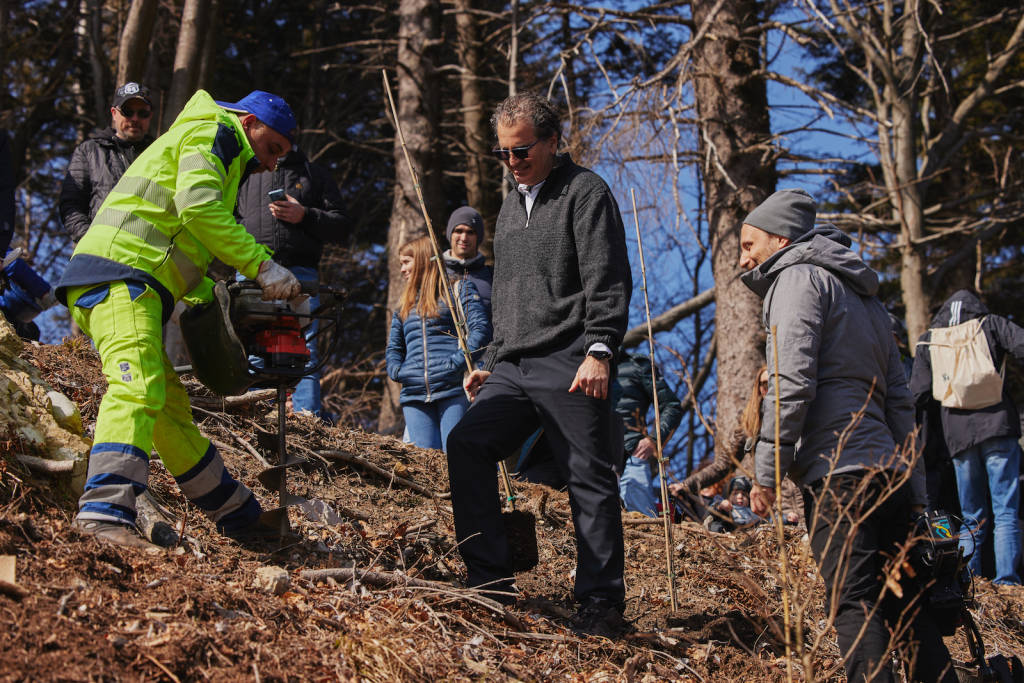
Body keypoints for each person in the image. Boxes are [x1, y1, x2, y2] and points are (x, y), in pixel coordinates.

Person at [54, 89, 303, 551]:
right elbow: (198, 208)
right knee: (137, 389)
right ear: (250, 122)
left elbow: (180, 238)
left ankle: (239, 515)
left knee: (168, 410)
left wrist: (216, 295)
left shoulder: (220, 150)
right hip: (120, 277)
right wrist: (262, 266)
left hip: (134, 281)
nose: (272, 164)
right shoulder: (213, 132)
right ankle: (103, 515)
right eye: (273, 149)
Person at [739, 188, 955, 682]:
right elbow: (900, 404)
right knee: (906, 605)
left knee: (855, 603)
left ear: (781, 238)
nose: (743, 257)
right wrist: (917, 495)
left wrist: (767, 471)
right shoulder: (869, 302)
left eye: (750, 244)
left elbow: (791, 380)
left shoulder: (795, 280)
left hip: (840, 474)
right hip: (890, 477)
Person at [445, 92, 632, 637]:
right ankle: (489, 581)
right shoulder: (507, 206)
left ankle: (600, 604)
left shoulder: (586, 192)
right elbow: (506, 292)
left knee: (587, 476)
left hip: (573, 357)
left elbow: (608, 277)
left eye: (522, 151)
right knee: (467, 443)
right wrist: (493, 359)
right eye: (503, 154)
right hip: (514, 365)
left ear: (552, 142)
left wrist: (600, 347)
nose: (512, 163)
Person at [910, 289, 1023, 585]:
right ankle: (1007, 580)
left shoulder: (930, 339)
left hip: (958, 436)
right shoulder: (992, 324)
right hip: (998, 425)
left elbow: (917, 393)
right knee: (1006, 511)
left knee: (970, 515)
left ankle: (970, 581)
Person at [235, 143, 346, 417]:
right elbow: (224, 217)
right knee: (250, 342)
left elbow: (341, 225)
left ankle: (307, 419)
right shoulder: (243, 173)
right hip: (252, 269)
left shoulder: (314, 174)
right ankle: (251, 415)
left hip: (302, 271)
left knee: (304, 347)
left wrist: (305, 215)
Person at [386, 236, 489, 451]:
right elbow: (394, 348)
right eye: (401, 264)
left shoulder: (457, 289)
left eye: (406, 262)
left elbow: (480, 330)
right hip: (414, 394)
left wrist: (455, 364)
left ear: (423, 260)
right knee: (427, 465)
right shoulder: (402, 307)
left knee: (457, 456)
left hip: (452, 390)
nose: (402, 269)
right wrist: (398, 371)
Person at [59, 82, 155, 243]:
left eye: (142, 113)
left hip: (148, 256)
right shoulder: (89, 151)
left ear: (150, 115)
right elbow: (71, 204)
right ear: (114, 113)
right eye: (128, 111)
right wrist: (91, 241)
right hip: (100, 255)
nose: (135, 119)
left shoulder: (160, 153)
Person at [614, 352, 683, 516]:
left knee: (643, 521)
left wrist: (653, 440)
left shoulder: (636, 365)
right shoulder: (576, 363)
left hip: (632, 452)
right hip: (593, 457)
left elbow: (671, 406)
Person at [443, 206, 492, 319]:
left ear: (478, 237)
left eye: (470, 232)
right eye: (458, 231)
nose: (464, 238)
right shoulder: (435, 274)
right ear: (450, 234)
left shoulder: (491, 277)